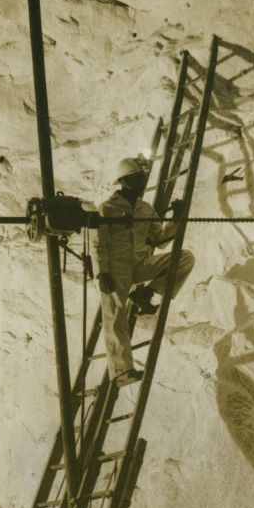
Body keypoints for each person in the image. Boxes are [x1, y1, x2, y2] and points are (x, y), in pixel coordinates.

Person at [95, 157, 195, 387]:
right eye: (137, 179)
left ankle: (146, 293)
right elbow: (98, 242)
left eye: (141, 178)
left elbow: (160, 240)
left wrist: (176, 218)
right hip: (116, 270)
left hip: (140, 264)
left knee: (185, 258)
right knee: (114, 316)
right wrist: (102, 273)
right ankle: (121, 372)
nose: (141, 182)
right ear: (124, 182)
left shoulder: (145, 208)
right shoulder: (107, 209)